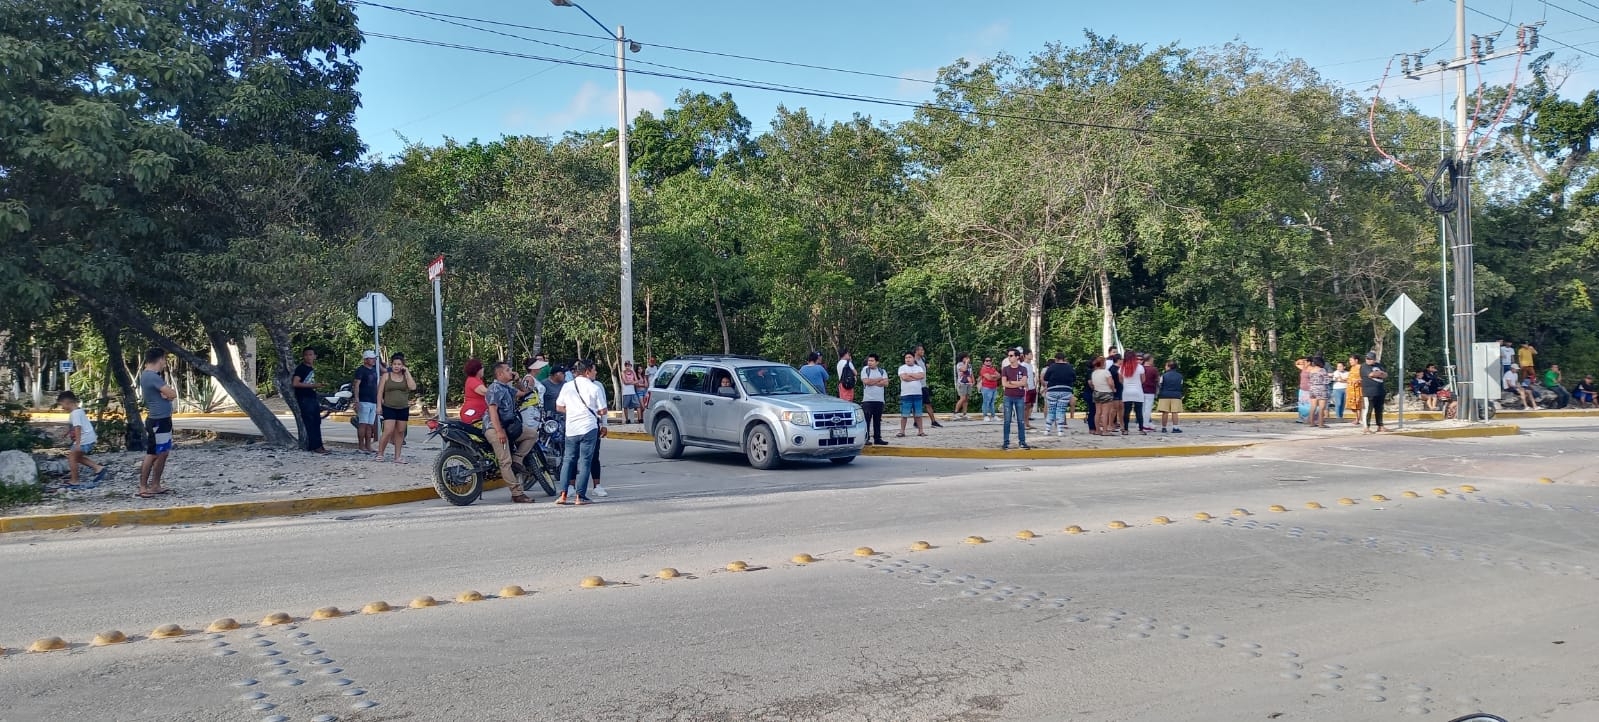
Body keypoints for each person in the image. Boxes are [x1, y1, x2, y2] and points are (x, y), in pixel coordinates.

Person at [555, 359, 607, 505]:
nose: (595, 372)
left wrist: (572, 411)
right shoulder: (594, 388)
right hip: (589, 428)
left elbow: (559, 407)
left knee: (568, 460)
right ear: (587, 371)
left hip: (571, 428)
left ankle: (563, 494)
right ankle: (580, 496)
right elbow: (603, 410)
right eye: (594, 370)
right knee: (585, 461)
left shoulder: (567, 386)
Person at [485, 361, 536, 504]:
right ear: (500, 374)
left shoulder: (506, 388)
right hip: (495, 428)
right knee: (505, 462)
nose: (511, 372)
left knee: (532, 435)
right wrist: (499, 431)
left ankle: (518, 459)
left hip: (510, 427)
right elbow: (492, 410)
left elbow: (524, 392)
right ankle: (517, 493)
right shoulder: (495, 389)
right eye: (508, 370)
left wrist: (518, 379)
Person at [138, 347, 177, 498]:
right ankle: (143, 487)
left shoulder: (150, 376)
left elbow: (168, 394)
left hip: (162, 420)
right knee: (153, 453)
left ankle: (155, 485)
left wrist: (167, 395)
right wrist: (168, 395)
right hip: (158, 421)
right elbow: (172, 393)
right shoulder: (152, 376)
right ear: (160, 359)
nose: (164, 363)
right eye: (164, 360)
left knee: (163, 452)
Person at [57, 391, 108, 488]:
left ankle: (75, 480)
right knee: (78, 457)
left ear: (67, 402)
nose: (62, 407)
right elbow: (74, 426)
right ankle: (98, 468)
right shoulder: (78, 411)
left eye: (62, 404)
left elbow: (78, 427)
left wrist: (78, 444)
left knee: (72, 458)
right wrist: (66, 433)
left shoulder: (75, 414)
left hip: (84, 440)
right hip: (89, 438)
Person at [374, 352, 416, 463]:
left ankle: (397, 456)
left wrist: (407, 372)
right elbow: (379, 392)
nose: (397, 366)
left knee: (401, 431)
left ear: (403, 365)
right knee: (388, 430)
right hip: (389, 406)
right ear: (391, 365)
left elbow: (413, 387)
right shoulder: (386, 376)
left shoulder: (405, 377)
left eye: (399, 364)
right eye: (395, 364)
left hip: (403, 407)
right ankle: (380, 453)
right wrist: (379, 406)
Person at [291, 348, 328, 455]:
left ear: (315, 356)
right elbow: (296, 383)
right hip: (304, 398)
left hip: (312, 396)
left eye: (311, 355)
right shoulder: (301, 369)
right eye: (306, 355)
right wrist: (313, 385)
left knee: (316, 421)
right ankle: (315, 446)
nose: (308, 357)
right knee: (311, 422)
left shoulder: (312, 369)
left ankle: (319, 445)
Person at [999, 348, 1031, 450]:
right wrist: (1017, 384)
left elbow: (1023, 382)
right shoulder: (1005, 369)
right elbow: (1004, 383)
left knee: (1020, 420)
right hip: (1008, 396)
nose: (1009, 357)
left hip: (1019, 397)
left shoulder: (1023, 369)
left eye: (1011, 355)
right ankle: (1006, 442)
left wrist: (1011, 382)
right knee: (1007, 421)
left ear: (1017, 357)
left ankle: (1022, 442)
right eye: (1009, 355)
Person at [352, 350, 380, 453]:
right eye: (372, 358)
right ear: (366, 359)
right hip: (364, 400)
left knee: (370, 424)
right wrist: (357, 399)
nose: (373, 360)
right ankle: (361, 445)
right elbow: (356, 385)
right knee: (362, 423)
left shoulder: (373, 370)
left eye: (374, 358)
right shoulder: (361, 370)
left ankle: (368, 445)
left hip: (373, 400)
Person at [1042, 353, 1075, 436]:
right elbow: (1074, 378)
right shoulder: (1069, 367)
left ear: (1056, 359)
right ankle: (1060, 430)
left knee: (1051, 409)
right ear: (1064, 358)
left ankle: (1047, 429)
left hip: (1052, 390)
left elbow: (1046, 378)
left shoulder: (1052, 366)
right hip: (1066, 390)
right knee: (1061, 409)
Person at [860, 354, 889, 445]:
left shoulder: (882, 371)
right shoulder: (865, 370)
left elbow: (886, 383)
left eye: (872, 361)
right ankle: (866, 438)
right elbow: (866, 382)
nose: (870, 362)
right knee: (867, 420)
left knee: (877, 420)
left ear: (877, 362)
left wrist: (873, 381)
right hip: (868, 400)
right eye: (869, 361)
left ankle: (877, 438)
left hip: (879, 399)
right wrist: (879, 380)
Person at [912, 345, 944, 428]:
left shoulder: (923, 359)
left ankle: (933, 421)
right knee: (917, 405)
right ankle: (916, 422)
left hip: (923, 385)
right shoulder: (913, 361)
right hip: (916, 386)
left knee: (928, 404)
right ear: (916, 351)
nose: (923, 351)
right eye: (921, 350)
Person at [897, 352, 927, 438]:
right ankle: (902, 431)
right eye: (906, 358)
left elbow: (921, 376)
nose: (908, 359)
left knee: (918, 414)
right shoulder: (902, 368)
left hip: (917, 394)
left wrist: (910, 374)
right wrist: (915, 377)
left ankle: (921, 431)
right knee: (904, 414)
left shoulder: (918, 368)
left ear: (913, 358)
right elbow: (904, 378)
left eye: (909, 357)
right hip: (906, 394)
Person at [1362, 352, 1389, 433]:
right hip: (1369, 392)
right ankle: (1366, 427)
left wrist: (1378, 374)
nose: (1368, 360)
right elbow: (1371, 374)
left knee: (1379, 409)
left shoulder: (1378, 365)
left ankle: (1380, 426)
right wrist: (1379, 373)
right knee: (1368, 410)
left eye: (1370, 359)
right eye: (1367, 358)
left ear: (1374, 359)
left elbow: (1385, 375)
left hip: (1380, 391)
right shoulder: (1364, 366)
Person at [1089, 356, 1116, 436]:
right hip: (1106, 392)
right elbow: (1110, 383)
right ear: (1103, 363)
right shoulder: (1106, 372)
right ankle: (1105, 430)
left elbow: (1092, 383)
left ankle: (1097, 430)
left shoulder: (1094, 373)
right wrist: (1113, 389)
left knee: (1098, 412)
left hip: (1097, 392)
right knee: (1105, 413)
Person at [1120, 353, 1146, 436]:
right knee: (1139, 411)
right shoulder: (1140, 367)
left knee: (1126, 411)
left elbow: (1120, 380)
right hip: (1138, 391)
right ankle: (1141, 429)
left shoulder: (1122, 367)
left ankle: (1126, 429)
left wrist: (1126, 384)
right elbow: (1143, 379)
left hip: (1127, 391)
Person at [1156, 361, 1184, 433]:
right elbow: (1181, 386)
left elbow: (1160, 385)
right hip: (1176, 395)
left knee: (1165, 412)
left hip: (1165, 395)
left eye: (1166, 366)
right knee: (1175, 412)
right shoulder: (1180, 376)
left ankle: (1164, 428)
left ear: (1169, 367)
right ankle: (1175, 428)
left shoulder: (1164, 376)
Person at [460, 358, 489, 426]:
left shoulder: (477, 380)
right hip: (473, 414)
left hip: (478, 414)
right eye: (482, 367)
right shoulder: (473, 381)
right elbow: (486, 392)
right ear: (477, 370)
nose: (483, 369)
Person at [1308, 357, 1330, 428]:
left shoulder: (1311, 370)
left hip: (1312, 388)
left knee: (1313, 406)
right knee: (1321, 407)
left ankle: (1311, 422)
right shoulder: (1322, 370)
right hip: (1321, 389)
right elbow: (1326, 380)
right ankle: (1321, 423)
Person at [978, 357, 1001, 422]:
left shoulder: (992, 368)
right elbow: (989, 378)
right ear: (984, 362)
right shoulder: (983, 369)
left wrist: (992, 376)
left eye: (990, 360)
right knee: (986, 402)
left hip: (994, 387)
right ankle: (985, 416)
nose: (988, 362)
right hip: (986, 388)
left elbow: (999, 375)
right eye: (987, 360)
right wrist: (994, 376)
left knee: (992, 402)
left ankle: (993, 416)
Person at [1140, 353, 1158, 432]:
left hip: (1141, 390)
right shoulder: (1153, 369)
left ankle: (1142, 424)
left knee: (1142, 408)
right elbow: (1157, 379)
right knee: (1147, 409)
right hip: (1150, 390)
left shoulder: (1140, 368)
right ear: (1150, 360)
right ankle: (1146, 424)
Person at [953, 353, 973, 420]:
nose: (968, 359)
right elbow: (964, 369)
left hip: (968, 383)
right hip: (962, 383)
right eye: (966, 358)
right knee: (962, 398)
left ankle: (965, 413)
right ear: (963, 358)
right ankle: (955, 413)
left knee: (966, 399)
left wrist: (973, 381)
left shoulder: (970, 365)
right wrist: (966, 363)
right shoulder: (959, 364)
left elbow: (971, 373)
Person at [1346, 355, 1365, 425]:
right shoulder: (1352, 368)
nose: (1350, 362)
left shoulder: (1360, 367)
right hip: (1351, 390)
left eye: (1351, 360)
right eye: (1349, 360)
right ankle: (1357, 418)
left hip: (1357, 389)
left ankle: (1358, 419)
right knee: (1353, 406)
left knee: (1358, 405)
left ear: (1356, 360)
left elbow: (1364, 377)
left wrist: (1358, 380)